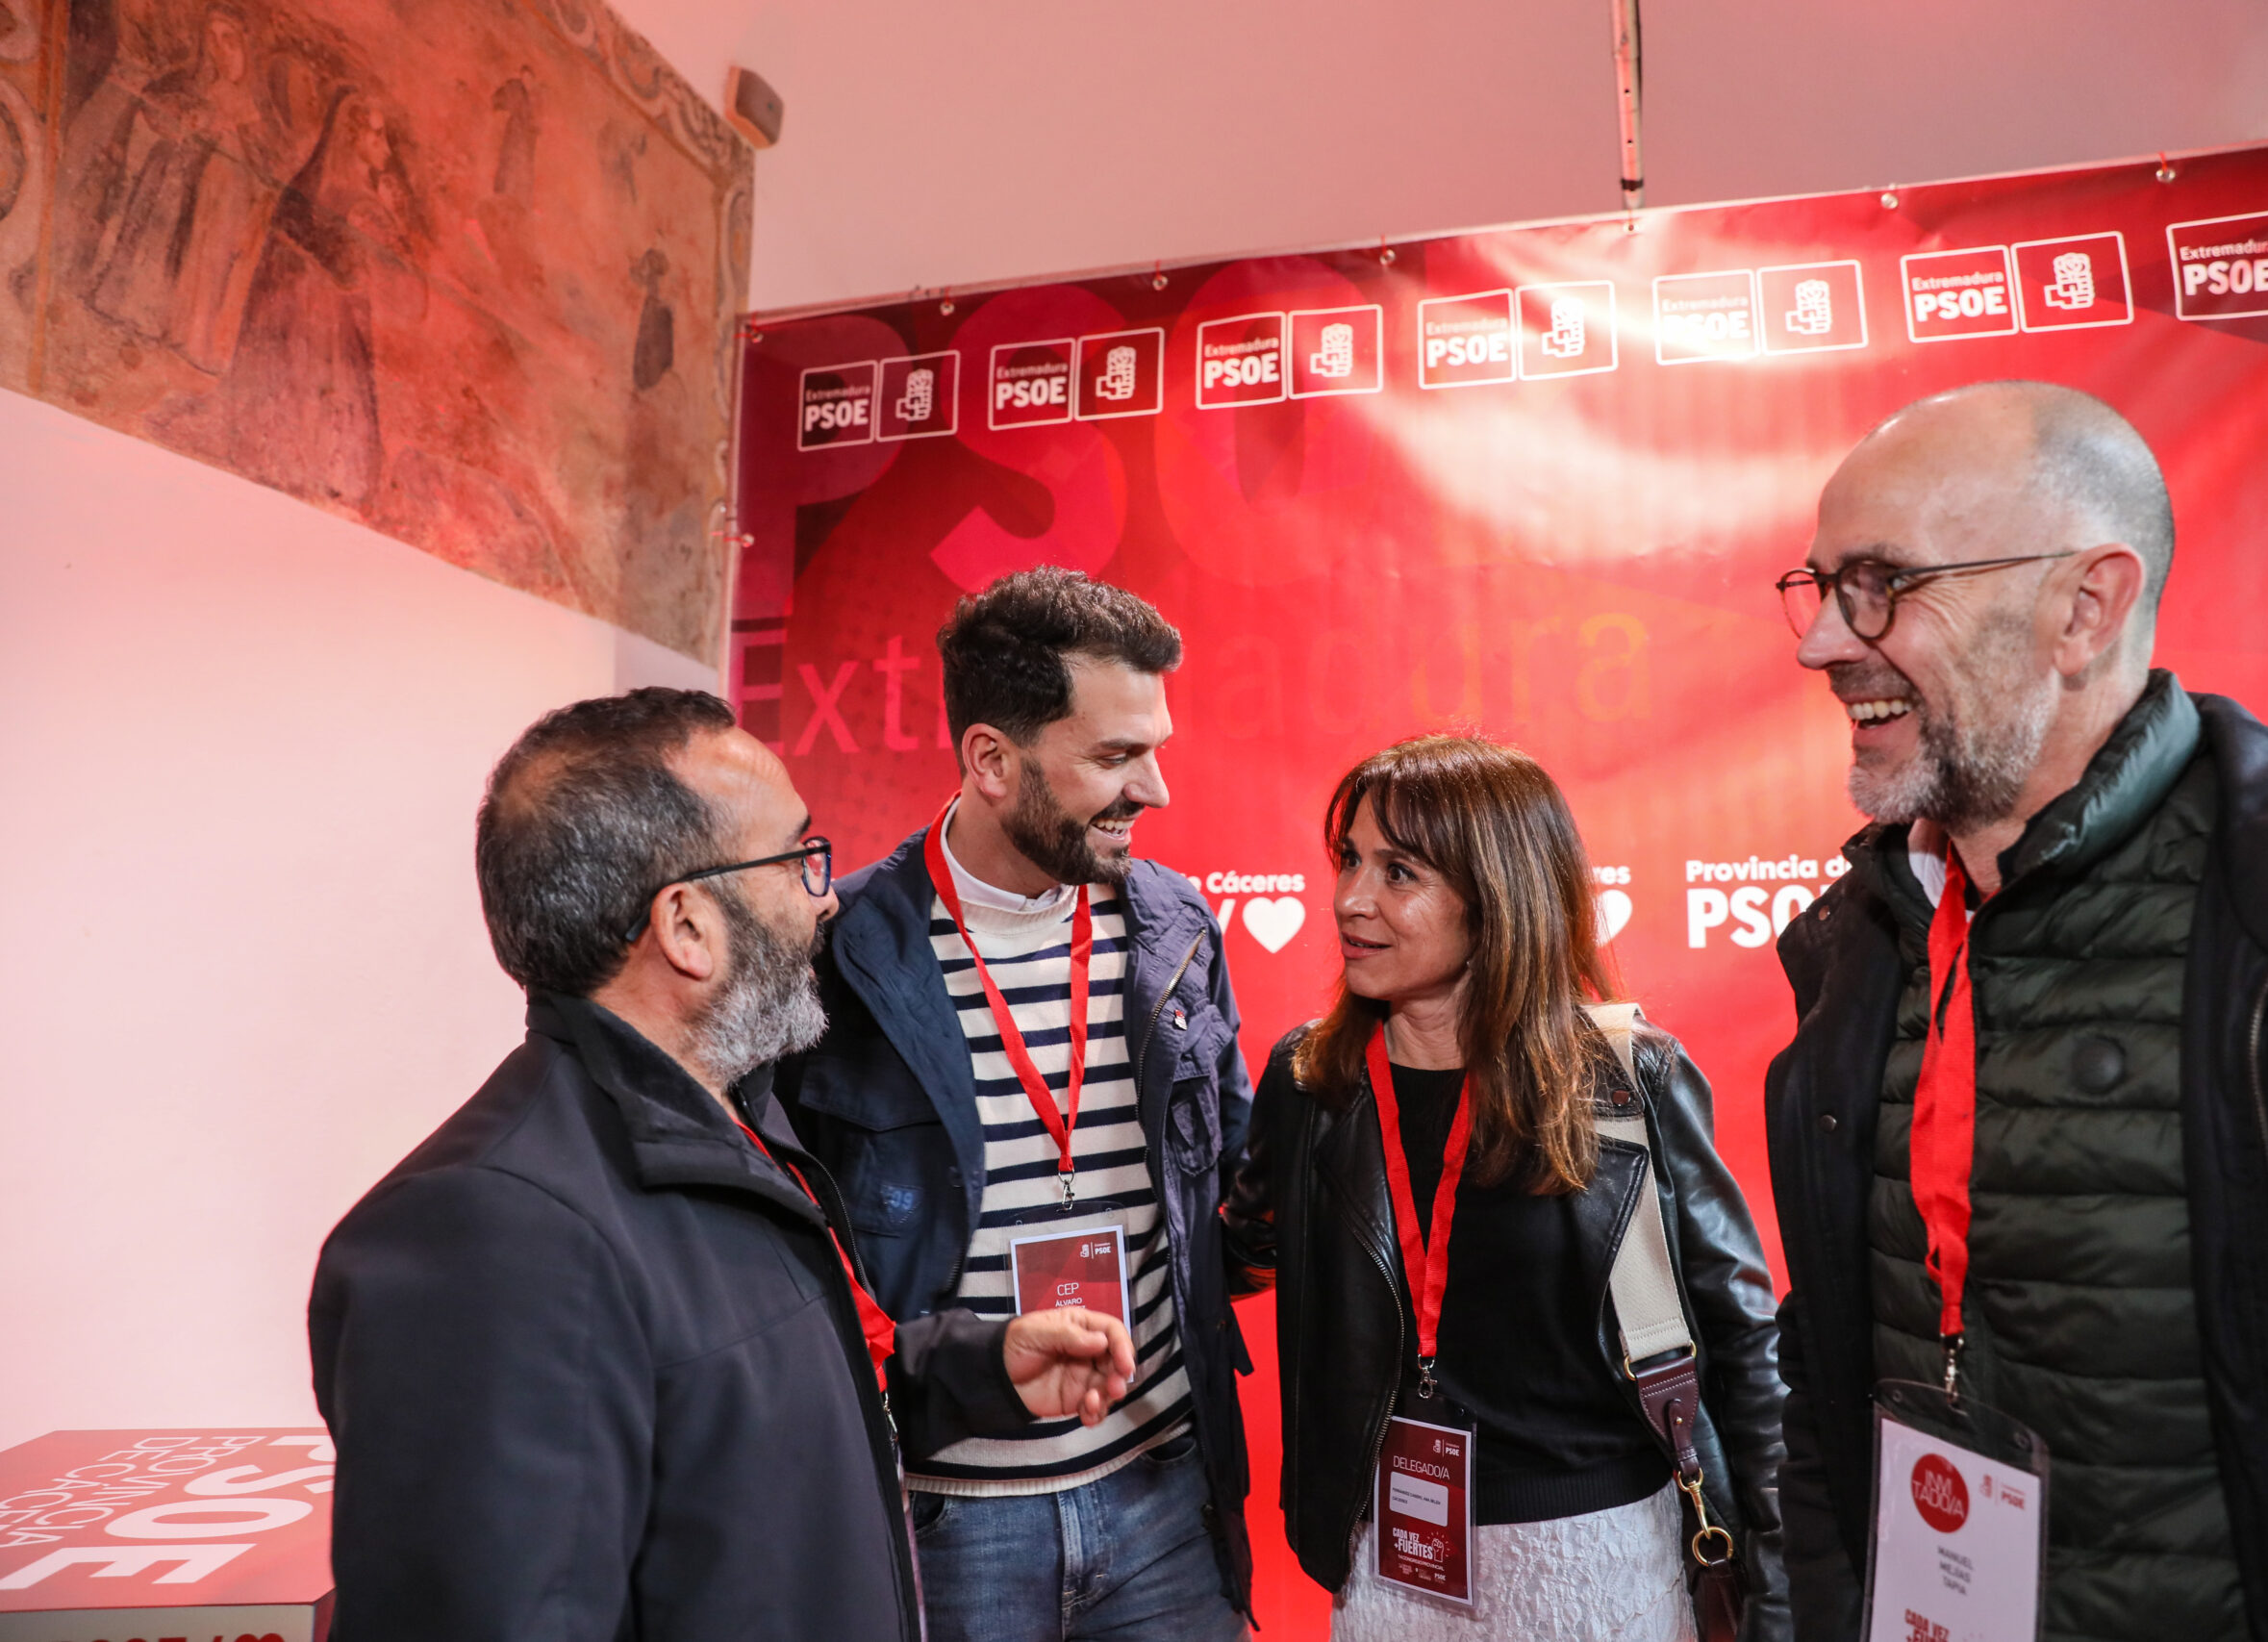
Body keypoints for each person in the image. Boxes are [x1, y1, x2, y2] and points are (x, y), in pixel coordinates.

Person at [1766, 381, 2268, 1642]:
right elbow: (1825, 1374)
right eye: (1818, 587)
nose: (1821, 642)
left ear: (2084, 606)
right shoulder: (1854, 946)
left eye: (1880, 584)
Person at [308, 689, 1138, 1642]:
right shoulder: (491, 1238)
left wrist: (976, 1368)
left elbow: (747, 1404)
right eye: (796, 858)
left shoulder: (735, 1121)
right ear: (687, 927)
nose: (826, 896)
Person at [1222, 734, 1788, 1640]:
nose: (1351, 899)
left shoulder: (1627, 1078)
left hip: (1600, 1569)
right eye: (1349, 859)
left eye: (1398, 872)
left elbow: (1744, 1338)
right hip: (1388, 1569)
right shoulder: (1312, 1081)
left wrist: (1782, 1583)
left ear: (1496, 895)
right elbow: (1238, 1248)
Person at [786, 571, 1255, 1640]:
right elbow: (799, 1262)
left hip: (1167, 1501)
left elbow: (1226, 1189)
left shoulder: (1176, 928)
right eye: (1115, 755)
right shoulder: (837, 955)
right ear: (992, 760)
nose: (1155, 789)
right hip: (948, 1520)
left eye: (1155, 749)